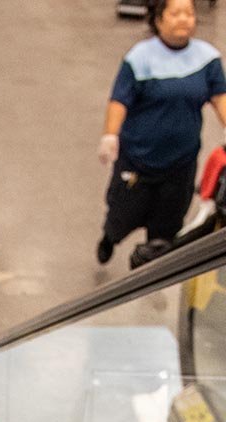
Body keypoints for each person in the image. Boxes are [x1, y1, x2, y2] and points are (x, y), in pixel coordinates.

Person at [97, 0, 226, 264]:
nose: (184, 19)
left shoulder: (207, 59)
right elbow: (119, 100)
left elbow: (220, 98)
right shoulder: (140, 58)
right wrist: (110, 134)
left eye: (189, 14)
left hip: (180, 165)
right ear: (158, 19)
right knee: (122, 215)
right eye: (176, 13)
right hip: (138, 162)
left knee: (166, 231)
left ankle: (150, 265)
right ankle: (109, 238)